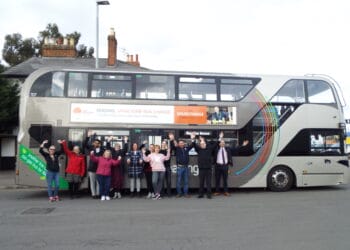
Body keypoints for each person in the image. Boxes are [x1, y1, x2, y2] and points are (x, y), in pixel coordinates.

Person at [214, 131, 249, 196]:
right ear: (219, 144)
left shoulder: (228, 149)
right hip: (218, 166)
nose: (222, 143)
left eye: (223, 143)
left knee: (225, 180)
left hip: (225, 166)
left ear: (225, 144)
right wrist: (220, 138)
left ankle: (226, 192)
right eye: (221, 143)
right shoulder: (216, 149)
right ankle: (217, 191)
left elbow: (236, 149)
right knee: (217, 179)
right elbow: (215, 144)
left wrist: (243, 145)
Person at [191, 132, 217, 199]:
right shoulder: (198, 150)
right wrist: (193, 138)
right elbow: (193, 144)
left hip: (208, 169)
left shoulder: (209, 149)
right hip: (201, 168)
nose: (202, 144)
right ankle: (201, 194)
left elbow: (216, 144)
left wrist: (220, 138)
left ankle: (209, 195)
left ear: (206, 144)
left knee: (209, 183)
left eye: (203, 143)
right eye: (201, 144)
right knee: (201, 182)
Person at [169, 132, 194, 198]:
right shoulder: (177, 149)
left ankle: (185, 193)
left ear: (184, 144)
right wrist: (172, 139)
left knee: (186, 181)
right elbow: (172, 146)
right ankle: (179, 193)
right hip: (179, 167)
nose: (181, 144)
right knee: (179, 181)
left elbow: (192, 145)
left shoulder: (186, 149)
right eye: (180, 143)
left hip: (186, 167)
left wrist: (192, 139)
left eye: (182, 143)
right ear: (178, 144)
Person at [85, 131, 104, 199]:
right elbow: (85, 145)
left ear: (100, 144)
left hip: (99, 168)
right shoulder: (91, 148)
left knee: (98, 182)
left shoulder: (102, 150)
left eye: (97, 143)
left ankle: (98, 194)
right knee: (92, 182)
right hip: (92, 168)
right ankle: (94, 194)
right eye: (95, 143)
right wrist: (88, 137)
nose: (96, 144)